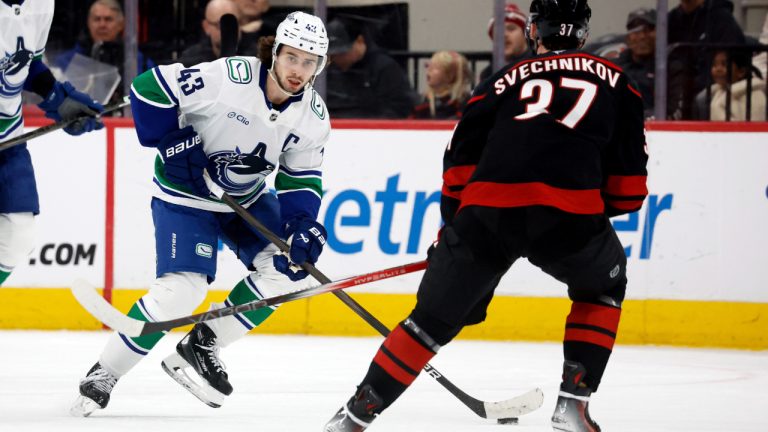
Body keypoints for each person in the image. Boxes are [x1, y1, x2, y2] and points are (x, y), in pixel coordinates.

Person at [324, 0, 648, 431]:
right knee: (604, 288)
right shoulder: (620, 84)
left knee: (428, 324)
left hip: (487, 215)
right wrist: (581, 206)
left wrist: (452, 233)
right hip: (570, 217)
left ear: (534, 30)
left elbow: (458, 168)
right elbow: (629, 192)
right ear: (584, 34)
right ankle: (573, 406)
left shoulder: (498, 83)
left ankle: (351, 419)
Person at [71, 11, 331, 416]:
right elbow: (147, 89)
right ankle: (105, 372)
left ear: (320, 66)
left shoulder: (313, 116)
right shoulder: (229, 77)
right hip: (185, 195)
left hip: (245, 198)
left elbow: (301, 178)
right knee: (182, 293)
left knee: (286, 270)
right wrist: (175, 143)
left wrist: (301, 224)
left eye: (309, 62)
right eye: (292, 57)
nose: (298, 70)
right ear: (275, 52)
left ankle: (203, 342)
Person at [1, 0, 104, 287]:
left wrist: (57, 97)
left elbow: (26, 64)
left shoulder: (41, 3)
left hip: (8, 137)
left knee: (17, 236)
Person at [53, 0, 156, 107]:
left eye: (108, 19)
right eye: (97, 19)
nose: (102, 25)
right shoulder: (65, 62)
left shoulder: (141, 64)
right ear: (88, 23)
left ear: (121, 24)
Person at [667, 0, 745, 119]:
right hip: (675, 91)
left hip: (709, 90)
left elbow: (733, 63)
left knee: (702, 100)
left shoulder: (722, 19)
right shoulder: (670, 20)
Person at [325, 18, 415, 118]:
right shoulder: (330, 71)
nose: (338, 59)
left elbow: (399, 107)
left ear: (360, 41)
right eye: (333, 55)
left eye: (342, 53)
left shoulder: (385, 68)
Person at [696, 50, 766, 121]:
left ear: (741, 72)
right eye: (714, 65)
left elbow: (754, 125)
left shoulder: (754, 96)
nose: (718, 69)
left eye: (724, 65)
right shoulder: (715, 92)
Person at [614, 8, 656, 118]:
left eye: (648, 29)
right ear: (628, 38)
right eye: (636, 31)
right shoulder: (616, 68)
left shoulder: (668, 66)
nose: (642, 36)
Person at [478, 3, 533, 82]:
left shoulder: (538, 65)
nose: (504, 35)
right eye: (499, 31)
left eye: (511, 29)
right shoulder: (487, 74)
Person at [176, 0, 241, 66]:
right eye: (219, 25)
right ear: (206, 27)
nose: (229, 29)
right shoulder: (191, 62)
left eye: (234, 24)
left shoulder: (247, 56)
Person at [410, 51, 472, 119]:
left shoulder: (463, 101)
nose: (429, 69)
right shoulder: (422, 102)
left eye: (435, 67)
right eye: (428, 66)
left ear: (450, 76)